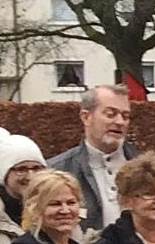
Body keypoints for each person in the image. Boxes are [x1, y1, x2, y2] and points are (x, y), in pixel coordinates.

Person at [46, 84, 137, 235]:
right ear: (86, 117)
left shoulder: (147, 169)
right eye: (110, 114)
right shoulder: (57, 171)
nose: (120, 122)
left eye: (125, 116)